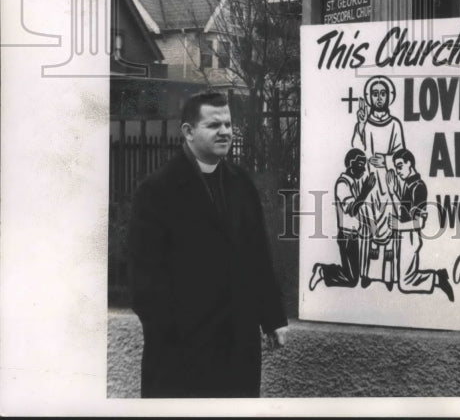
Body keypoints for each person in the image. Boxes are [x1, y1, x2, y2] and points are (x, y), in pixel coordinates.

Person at [128, 90, 287, 398]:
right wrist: (175, 333)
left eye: (228, 124)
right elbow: (144, 281)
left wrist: (273, 318)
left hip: (238, 347)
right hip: (181, 353)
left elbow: (257, 256)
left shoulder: (241, 184)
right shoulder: (157, 191)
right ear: (188, 132)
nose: (225, 131)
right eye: (214, 125)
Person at [351, 76, 406, 287]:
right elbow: (356, 147)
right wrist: (361, 125)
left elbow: (402, 153)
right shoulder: (365, 122)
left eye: (383, 93)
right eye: (375, 94)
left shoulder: (394, 125)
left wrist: (387, 159)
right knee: (367, 225)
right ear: (370, 97)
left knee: (391, 224)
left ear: (389, 97)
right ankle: (366, 274)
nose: (379, 97)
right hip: (370, 180)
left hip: (388, 180)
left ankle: (388, 277)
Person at [387, 148, 454, 301]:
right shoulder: (408, 185)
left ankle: (438, 278)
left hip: (410, 236)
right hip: (404, 235)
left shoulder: (419, 187)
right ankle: (438, 278)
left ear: (409, 163)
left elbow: (419, 222)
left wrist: (398, 226)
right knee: (404, 280)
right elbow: (402, 211)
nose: (397, 172)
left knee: (405, 283)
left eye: (399, 166)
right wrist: (392, 192)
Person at [308, 148, 375, 289]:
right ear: (351, 164)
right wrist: (365, 192)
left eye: (364, 164)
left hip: (353, 235)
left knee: (352, 278)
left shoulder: (354, 183)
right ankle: (323, 271)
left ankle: (324, 271)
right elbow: (351, 210)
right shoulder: (343, 183)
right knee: (351, 280)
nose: (363, 168)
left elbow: (357, 211)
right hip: (346, 236)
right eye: (360, 164)